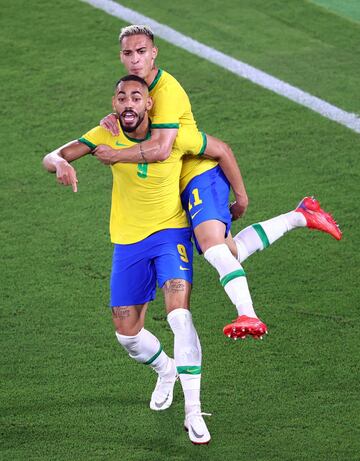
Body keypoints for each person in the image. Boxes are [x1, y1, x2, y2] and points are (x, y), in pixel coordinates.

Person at [96, 25, 342, 340]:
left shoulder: (167, 93)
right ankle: (301, 215)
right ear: (121, 56)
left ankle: (248, 314)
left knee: (214, 248)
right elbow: (134, 118)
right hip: (176, 184)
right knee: (230, 250)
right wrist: (113, 119)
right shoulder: (137, 92)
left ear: (154, 53)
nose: (135, 59)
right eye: (128, 53)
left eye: (141, 51)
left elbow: (164, 149)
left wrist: (241, 198)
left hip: (198, 173)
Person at [43, 75, 211, 445]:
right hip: (128, 241)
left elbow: (219, 150)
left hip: (171, 234)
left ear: (149, 104)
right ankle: (166, 370)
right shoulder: (105, 133)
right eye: (122, 98)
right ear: (115, 105)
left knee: (179, 316)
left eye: (137, 96)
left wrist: (231, 200)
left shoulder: (170, 136)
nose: (128, 103)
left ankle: (193, 411)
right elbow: (52, 155)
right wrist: (59, 164)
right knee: (127, 334)